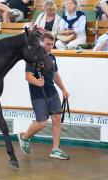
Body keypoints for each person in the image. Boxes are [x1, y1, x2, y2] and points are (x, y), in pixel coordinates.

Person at [18, 32, 70, 160]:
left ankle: (55, 149)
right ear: (41, 43)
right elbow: (27, 76)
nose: (50, 47)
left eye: (52, 44)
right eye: (47, 44)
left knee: (57, 118)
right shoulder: (32, 57)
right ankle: (24, 137)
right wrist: (37, 82)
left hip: (52, 92)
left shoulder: (52, 57)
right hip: (38, 94)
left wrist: (63, 89)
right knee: (42, 123)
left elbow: (55, 75)